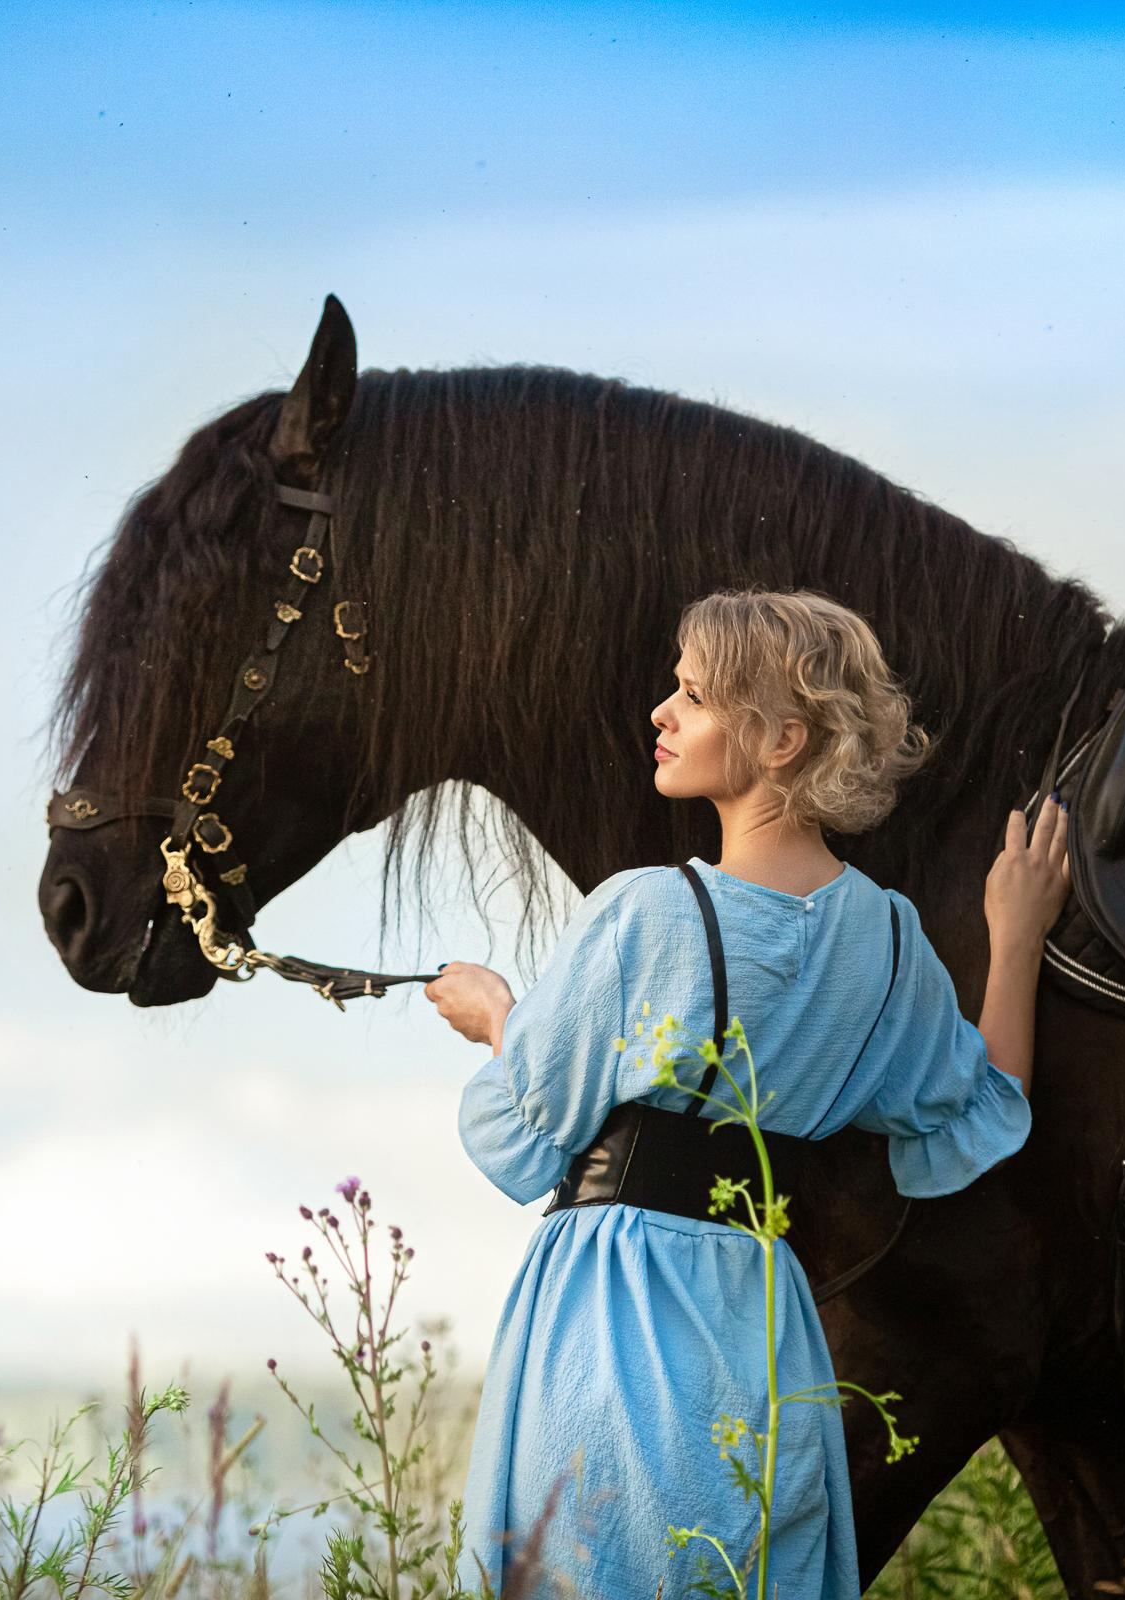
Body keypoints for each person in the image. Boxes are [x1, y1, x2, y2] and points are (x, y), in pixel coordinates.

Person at [424, 588, 1071, 1599]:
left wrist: (496, 1010)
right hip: (763, 1319)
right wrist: (1017, 936)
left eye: (694, 696)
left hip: (614, 1307)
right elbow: (984, 1104)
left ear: (781, 739)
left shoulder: (643, 913)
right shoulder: (888, 939)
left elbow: (527, 1118)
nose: (661, 714)